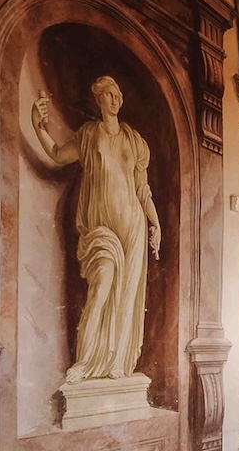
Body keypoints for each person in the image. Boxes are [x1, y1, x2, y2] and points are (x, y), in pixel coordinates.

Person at [31, 76, 160, 383]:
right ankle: (85, 361)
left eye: (117, 94)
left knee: (127, 296)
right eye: (108, 95)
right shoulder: (88, 135)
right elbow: (57, 154)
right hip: (101, 228)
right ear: (98, 100)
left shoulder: (135, 140)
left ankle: (118, 361)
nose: (114, 99)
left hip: (133, 227)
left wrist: (155, 223)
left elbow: (143, 190)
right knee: (101, 288)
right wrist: (38, 126)